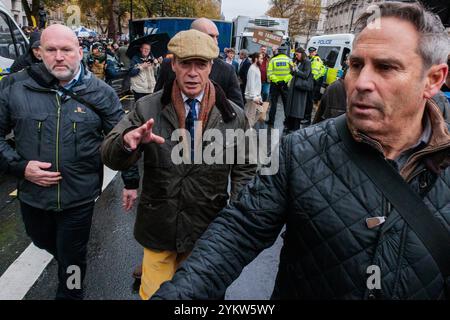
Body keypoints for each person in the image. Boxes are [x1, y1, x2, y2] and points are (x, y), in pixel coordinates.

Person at [152, 1, 450, 300]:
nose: (361, 82)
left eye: (386, 67)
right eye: (355, 65)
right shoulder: (298, 150)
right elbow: (238, 230)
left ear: (433, 79)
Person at [101, 29, 256, 300]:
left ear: (211, 66)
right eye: (185, 64)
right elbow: (110, 155)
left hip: (207, 228)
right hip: (159, 226)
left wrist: (236, 212)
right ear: (174, 64)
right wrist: (128, 142)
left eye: (201, 64)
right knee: (155, 295)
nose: (193, 72)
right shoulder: (147, 108)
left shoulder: (234, 115)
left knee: (200, 298)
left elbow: (246, 166)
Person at [0, 24, 139, 299]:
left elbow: (124, 140)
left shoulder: (101, 93)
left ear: (79, 51)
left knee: (73, 258)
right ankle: (67, 260)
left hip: (79, 197)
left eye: (66, 50)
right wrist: (20, 167)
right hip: (33, 197)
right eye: (51, 50)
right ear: (39, 53)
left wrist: (131, 181)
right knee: (42, 240)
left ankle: (72, 291)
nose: (59, 56)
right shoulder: (14, 87)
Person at [154, 18, 243, 109]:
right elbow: (156, 101)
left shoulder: (227, 70)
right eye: (210, 36)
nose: (216, 42)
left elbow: (236, 111)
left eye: (217, 37)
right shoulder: (168, 64)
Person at [285, 47, 313, 132]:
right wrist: (292, 69)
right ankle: (289, 125)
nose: (296, 56)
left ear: (302, 54)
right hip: (294, 86)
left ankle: (295, 128)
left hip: (300, 88)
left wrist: (296, 70)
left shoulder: (307, 62)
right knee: (292, 106)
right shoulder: (297, 61)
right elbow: (294, 73)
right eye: (295, 54)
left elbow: (305, 75)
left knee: (297, 108)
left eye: (297, 54)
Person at [266, 45, 292, 127]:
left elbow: (269, 73)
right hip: (285, 85)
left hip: (275, 84)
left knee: (273, 103)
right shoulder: (289, 60)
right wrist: (284, 81)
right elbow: (292, 73)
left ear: (278, 51)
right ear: (285, 51)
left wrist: (277, 81)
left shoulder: (273, 60)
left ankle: (271, 121)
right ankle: (288, 121)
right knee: (286, 103)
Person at [244, 52, 263, 128]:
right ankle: (247, 131)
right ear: (256, 59)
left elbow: (257, 84)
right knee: (250, 116)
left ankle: (247, 128)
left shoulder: (256, 68)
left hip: (256, 96)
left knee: (260, 111)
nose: (262, 60)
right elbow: (250, 84)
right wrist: (254, 97)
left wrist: (259, 96)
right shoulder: (252, 69)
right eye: (261, 58)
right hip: (252, 97)